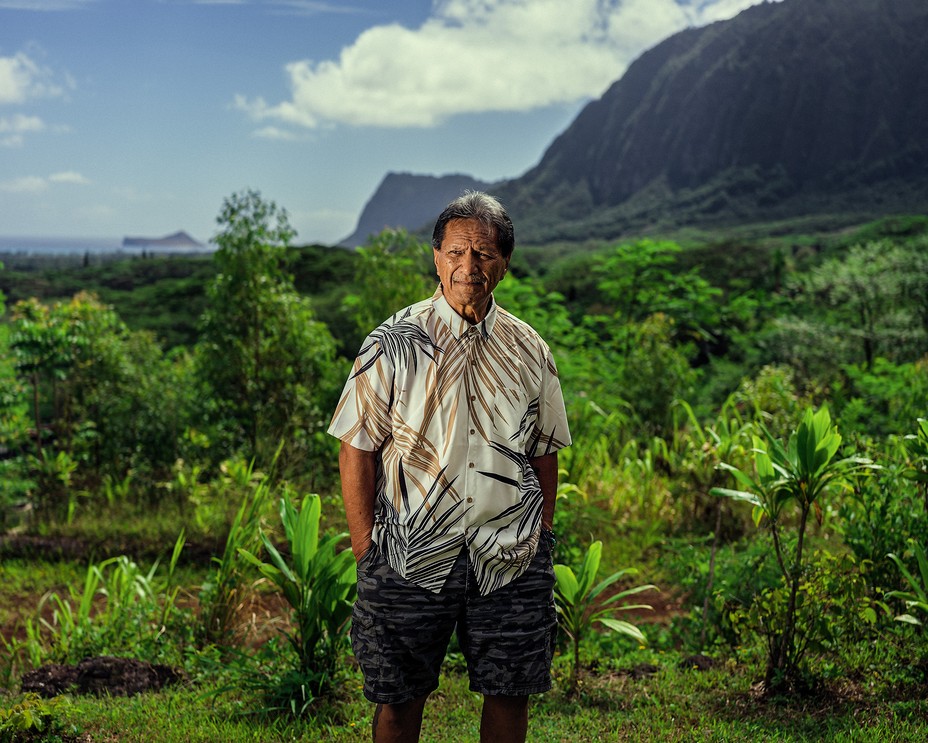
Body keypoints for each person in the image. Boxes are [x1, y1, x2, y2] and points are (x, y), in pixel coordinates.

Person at [328, 191, 571, 743]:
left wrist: (542, 533)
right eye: (457, 252)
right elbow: (356, 447)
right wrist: (366, 548)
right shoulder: (392, 342)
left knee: (510, 694)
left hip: (509, 554)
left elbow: (544, 449)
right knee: (398, 698)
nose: (469, 267)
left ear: (504, 264)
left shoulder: (528, 348)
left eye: (484, 255)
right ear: (435, 256)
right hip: (407, 555)